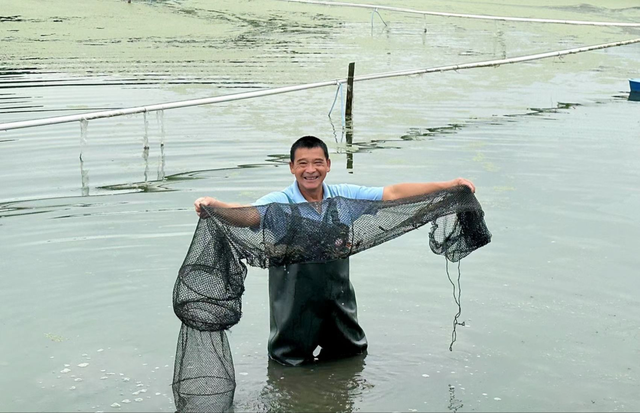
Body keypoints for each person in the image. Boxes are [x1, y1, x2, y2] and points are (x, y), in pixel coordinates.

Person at [194, 135, 475, 366]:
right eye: (302, 163)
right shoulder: (280, 202)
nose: (310, 170)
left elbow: (392, 194)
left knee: (350, 358)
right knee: (288, 364)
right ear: (291, 167)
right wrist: (215, 206)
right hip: (294, 307)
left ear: (328, 165)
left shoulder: (343, 198)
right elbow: (250, 215)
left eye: (317, 162)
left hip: (338, 301)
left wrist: (448, 185)